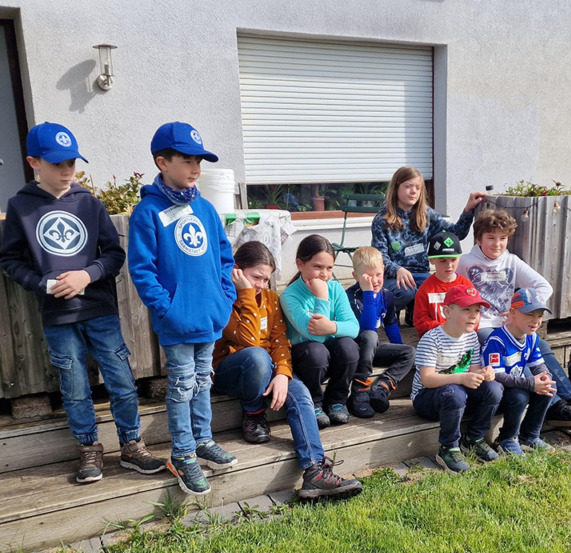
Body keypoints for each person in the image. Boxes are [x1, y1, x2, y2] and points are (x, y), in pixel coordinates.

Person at [0, 122, 165, 483]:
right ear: (33, 162)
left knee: (121, 379)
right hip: (58, 317)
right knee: (74, 387)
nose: (66, 171)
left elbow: (113, 254)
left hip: (100, 311)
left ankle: (132, 445)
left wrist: (87, 275)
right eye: (57, 164)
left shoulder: (89, 203)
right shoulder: (21, 207)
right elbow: (10, 260)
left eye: (72, 163)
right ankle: (89, 449)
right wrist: (42, 284)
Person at [127, 121, 237, 496]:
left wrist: (225, 299)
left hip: (209, 316)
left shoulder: (205, 208)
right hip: (177, 320)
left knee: (204, 380)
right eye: (187, 160)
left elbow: (224, 257)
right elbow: (142, 270)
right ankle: (183, 453)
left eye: (199, 161)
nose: (195, 169)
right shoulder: (148, 212)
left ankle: (203, 440)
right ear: (162, 162)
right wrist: (167, 309)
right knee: (181, 385)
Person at [213, 241, 362, 500]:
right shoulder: (223, 297)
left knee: (300, 393)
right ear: (236, 270)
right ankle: (253, 412)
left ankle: (315, 471)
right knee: (257, 355)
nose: (260, 285)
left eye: (266, 279)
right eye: (255, 277)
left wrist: (283, 373)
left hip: (269, 368)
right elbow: (247, 340)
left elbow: (280, 340)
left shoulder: (271, 299)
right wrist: (246, 294)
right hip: (230, 372)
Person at [460, 208, 571, 423]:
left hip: (508, 322)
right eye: (491, 238)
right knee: (514, 349)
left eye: (503, 238)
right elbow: (452, 292)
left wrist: (519, 310)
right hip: (482, 325)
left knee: (541, 346)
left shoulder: (511, 261)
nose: (497, 244)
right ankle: (553, 405)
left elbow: (544, 286)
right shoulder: (466, 263)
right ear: (478, 239)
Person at [370, 165, 486, 314]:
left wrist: (468, 210)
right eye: (408, 186)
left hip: (421, 274)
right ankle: (386, 315)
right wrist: (397, 269)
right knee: (406, 292)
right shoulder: (382, 219)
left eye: (417, 188)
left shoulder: (426, 214)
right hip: (394, 277)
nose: (413, 191)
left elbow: (456, 234)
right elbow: (379, 257)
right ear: (396, 188)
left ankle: (414, 311)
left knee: (445, 289)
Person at [410, 285, 502, 472]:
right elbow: (427, 379)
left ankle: (474, 438)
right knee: (454, 393)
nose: (473, 315)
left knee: (495, 388)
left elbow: (474, 372)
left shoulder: (471, 338)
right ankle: (449, 447)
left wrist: (485, 374)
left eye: (477, 310)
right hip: (427, 398)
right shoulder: (431, 339)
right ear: (447, 311)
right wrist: (461, 377)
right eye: (466, 309)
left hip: (456, 394)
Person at [279, 234, 360, 428]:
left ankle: (336, 400)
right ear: (300, 264)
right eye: (317, 267)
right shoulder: (289, 295)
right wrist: (322, 297)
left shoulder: (336, 288)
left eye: (329, 268)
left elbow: (354, 327)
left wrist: (331, 326)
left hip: (332, 360)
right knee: (316, 350)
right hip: (307, 360)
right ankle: (314, 401)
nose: (324, 274)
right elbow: (315, 335)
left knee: (349, 346)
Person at [484, 289, 557, 456]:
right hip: (495, 394)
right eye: (530, 314)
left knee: (548, 389)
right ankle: (507, 439)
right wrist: (530, 384)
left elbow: (538, 364)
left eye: (539, 316)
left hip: (517, 385)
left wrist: (545, 378)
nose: (536, 321)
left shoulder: (531, 337)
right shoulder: (497, 340)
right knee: (520, 396)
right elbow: (498, 376)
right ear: (513, 313)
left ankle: (529, 436)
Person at [344, 246, 415, 418]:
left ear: (384, 270)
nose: (374, 280)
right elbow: (367, 327)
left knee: (410, 352)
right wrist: (368, 293)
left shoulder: (386, 295)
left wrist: (397, 350)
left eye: (378, 275)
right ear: (356, 277)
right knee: (370, 335)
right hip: (353, 352)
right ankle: (359, 389)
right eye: (368, 277)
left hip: (372, 349)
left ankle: (381, 386)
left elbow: (390, 324)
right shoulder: (350, 296)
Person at [411, 232, 477, 336]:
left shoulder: (466, 286)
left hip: (462, 337)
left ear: (459, 258)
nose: (449, 265)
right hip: (435, 338)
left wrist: (464, 329)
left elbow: (475, 314)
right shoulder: (426, 289)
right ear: (432, 260)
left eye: (453, 260)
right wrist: (445, 329)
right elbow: (420, 321)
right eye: (443, 261)